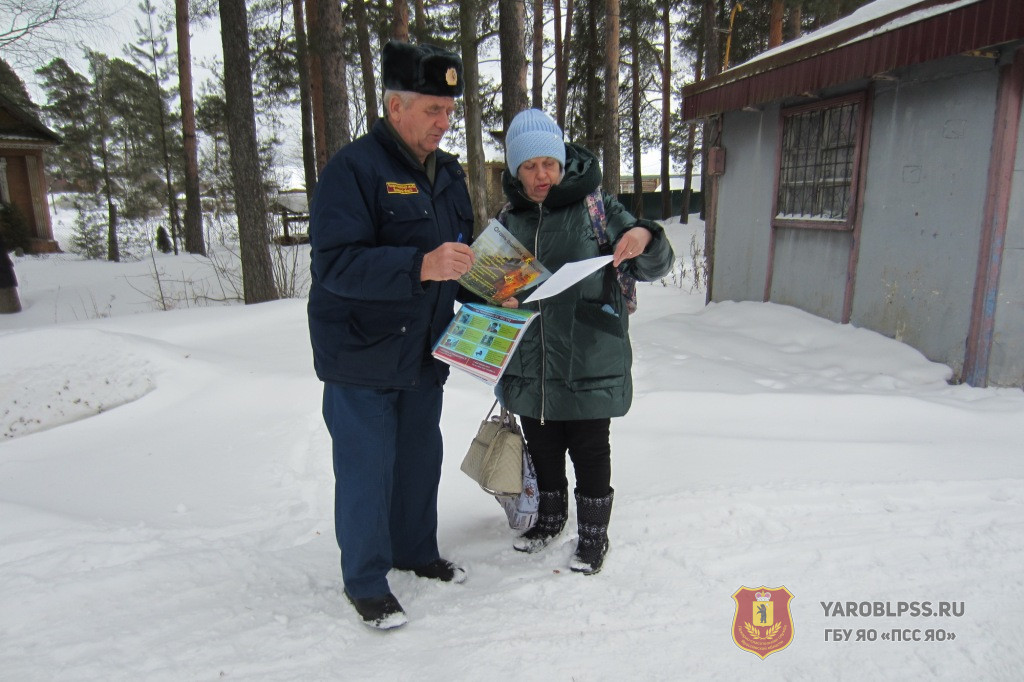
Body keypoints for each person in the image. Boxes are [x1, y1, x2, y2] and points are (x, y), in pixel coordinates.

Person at [307, 40, 476, 630]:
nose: (443, 122)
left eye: (449, 111)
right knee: (366, 468)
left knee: (418, 461)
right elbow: (335, 264)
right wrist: (419, 266)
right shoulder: (353, 171)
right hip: (362, 352)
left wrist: (492, 286)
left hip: (424, 348)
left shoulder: (449, 174)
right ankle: (366, 579)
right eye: (433, 110)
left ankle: (415, 551)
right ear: (395, 105)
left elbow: (463, 254)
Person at [496, 108, 674, 575]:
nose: (541, 175)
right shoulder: (508, 219)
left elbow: (655, 260)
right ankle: (551, 519)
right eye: (530, 166)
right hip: (532, 358)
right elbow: (493, 284)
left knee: (590, 447)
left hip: (589, 350)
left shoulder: (596, 206)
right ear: (516, 169)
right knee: (544, 443)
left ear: (561, 161)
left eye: (549, 164)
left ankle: (594, 536)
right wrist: (499, 299)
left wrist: (644, 236)